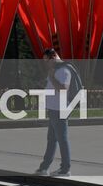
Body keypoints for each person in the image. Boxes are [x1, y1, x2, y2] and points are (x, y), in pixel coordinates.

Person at [34, 48, 79, 177]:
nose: (46, 64)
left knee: (61, 139)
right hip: (54, 110)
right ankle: (44, 168)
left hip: (60, 110)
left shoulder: (64, 70)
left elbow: (64, 88)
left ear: (53, 57)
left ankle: (65, 169)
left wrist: (52, 78)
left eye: (47, 61)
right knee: (52, 139)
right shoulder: (56, 70)